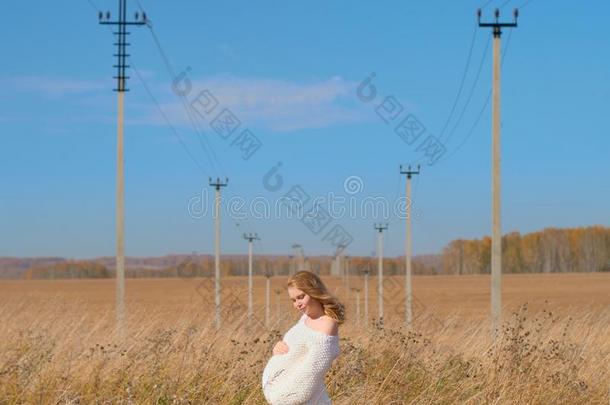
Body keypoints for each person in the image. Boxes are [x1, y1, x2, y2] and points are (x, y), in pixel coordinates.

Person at [261, 271, 345, 405]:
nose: (297, 304)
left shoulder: (327, 324)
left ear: (314, 291)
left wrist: (280, 397)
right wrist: (277, 349)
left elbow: (311, 371)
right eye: (293, 300)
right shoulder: (305, 318)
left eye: (301, 297)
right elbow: (297, 352)